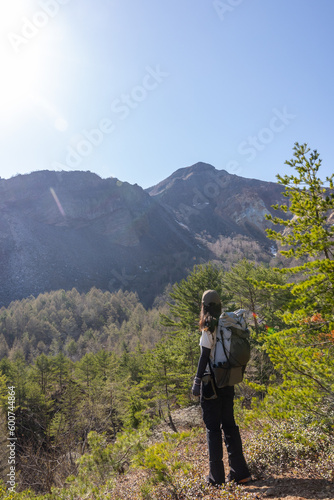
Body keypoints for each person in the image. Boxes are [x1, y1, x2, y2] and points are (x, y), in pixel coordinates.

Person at [192, 289, 251, 487]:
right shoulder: (228, 322)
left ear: (204, 306)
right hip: (228, 379)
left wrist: (197, 381)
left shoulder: (209, 325)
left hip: (211, 384)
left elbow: (203, 356)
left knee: (212, 429)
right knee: (229, 425)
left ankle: (216, 478)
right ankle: (240, 472)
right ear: (219, 304)